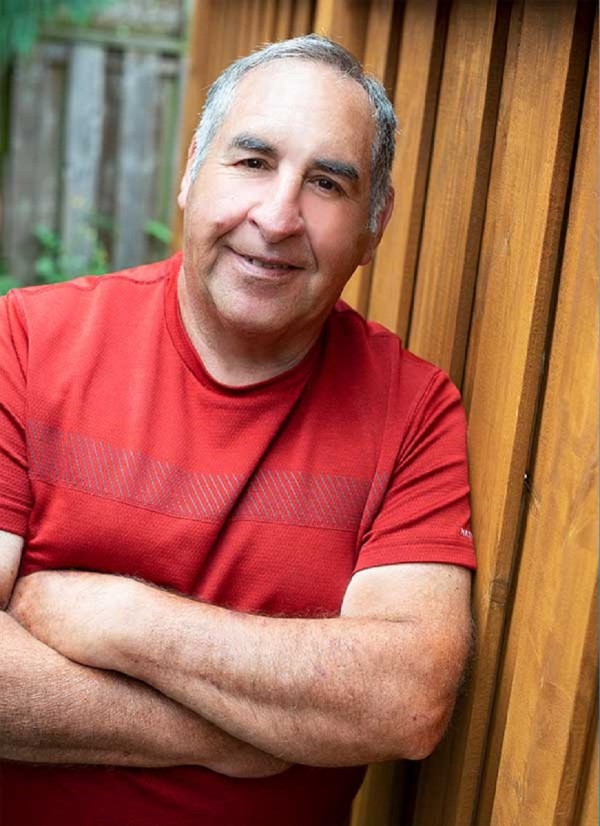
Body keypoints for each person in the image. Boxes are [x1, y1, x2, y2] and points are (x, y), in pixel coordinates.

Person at [0, 35, 475, 826]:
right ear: (192, 172)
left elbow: (406, 698)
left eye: (326, 183)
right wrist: (231, 736)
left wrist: (123, 620)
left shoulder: (413, 409)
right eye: (253, 161)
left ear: (374, 224)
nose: (279, 217)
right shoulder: (24, 343)